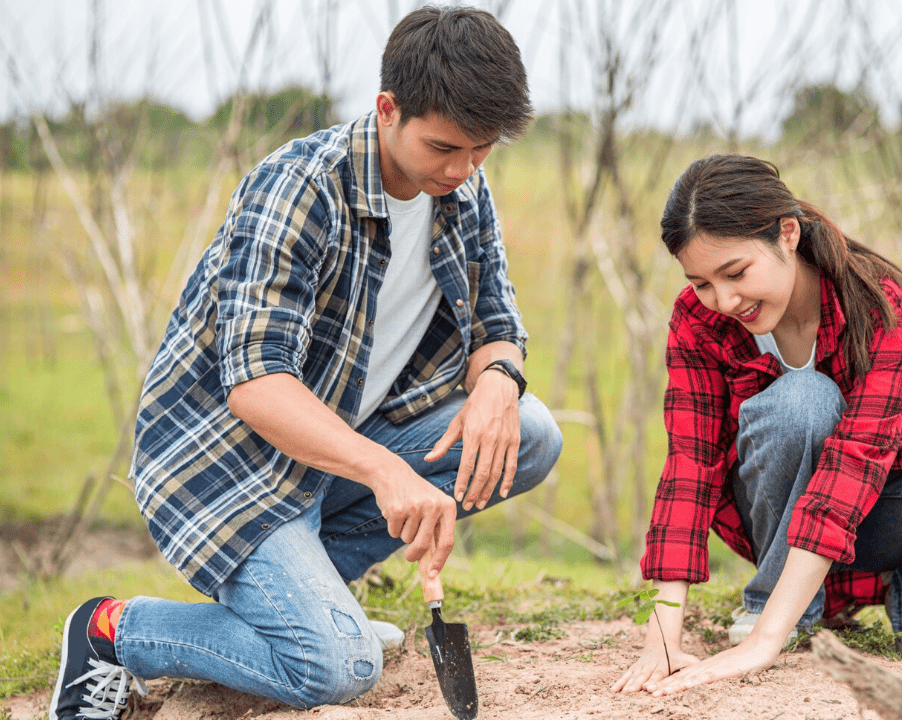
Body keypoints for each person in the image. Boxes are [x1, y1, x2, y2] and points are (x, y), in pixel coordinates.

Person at [49, 7, 562, 719]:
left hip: (337, 449)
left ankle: (316, 599)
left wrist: (500, 381)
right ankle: (113, 630)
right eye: (445, 147)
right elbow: (257, 385)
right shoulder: (298, 187)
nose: (463, 168)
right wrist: (386, 471)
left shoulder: (464, 187)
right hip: (232, 466)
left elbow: (498, 325)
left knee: (530, 433)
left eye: (482, 150)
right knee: (336, 668)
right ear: (387, 110)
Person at [612, 154, 902, 698]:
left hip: (870, 498)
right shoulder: (698, 321)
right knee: (801, 402)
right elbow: (690, 465)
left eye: (736, 273)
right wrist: (662, 634)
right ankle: (782, 607)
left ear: (787, 234)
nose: (724, 301)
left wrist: (761, 644)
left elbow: (857, 461)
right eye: (700, 282)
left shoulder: (881, 303)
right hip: (776, 518)